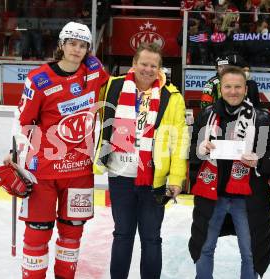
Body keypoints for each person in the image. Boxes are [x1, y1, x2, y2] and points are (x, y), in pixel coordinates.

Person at [4, 21, 109, 278]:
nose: (77, 49)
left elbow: (114, 88)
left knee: (72, 233)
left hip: (79, 171)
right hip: (43, 172)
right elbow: (24, 121)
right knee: (37, 234)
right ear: (62, 45)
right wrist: (15, 153)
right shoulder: (39, 79)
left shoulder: (94, 70)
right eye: (72, 43)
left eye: (83, 45)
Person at [93, 42, 188, 279]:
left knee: (151, 238)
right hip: (120, 174)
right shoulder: (112, 86)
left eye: (153, 65)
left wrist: (176, 178)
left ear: (160, 69)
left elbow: (180, 141)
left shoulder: (172, 97)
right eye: (143, 63)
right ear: (134, 64)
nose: (147, 69)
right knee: (123, 234)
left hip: (154, 178)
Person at [189, 66, 270, 279]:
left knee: (250, 253)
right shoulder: (206, 116)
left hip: (249, 199)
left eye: (238, 87)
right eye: (228, 86)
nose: (233, 91)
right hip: (212, 197)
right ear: (220, 89)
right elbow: (190, 151)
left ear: (246, 88)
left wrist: (259, 163)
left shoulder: (262, 118)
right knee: (205, 248)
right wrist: (200, 150)